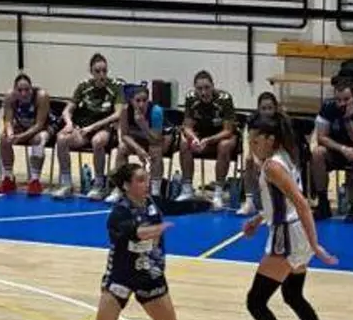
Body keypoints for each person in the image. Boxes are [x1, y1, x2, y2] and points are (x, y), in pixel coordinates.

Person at [241, 115, 344, 320]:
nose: (252, 146)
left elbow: (300, 202)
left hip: (288, 236)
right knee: (293, 295)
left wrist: (315, 244)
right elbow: (281, 201)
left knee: (255, 301)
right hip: (295, 232)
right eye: (249, 141)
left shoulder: (272, 166)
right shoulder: (285, 155)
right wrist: (258, 219)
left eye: (255, 141)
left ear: (270, 140)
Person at [77, 162, 179, 320]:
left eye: (147, 179)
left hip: (150, 274)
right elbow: (132, 232)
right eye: (140, 180)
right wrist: (156, 230)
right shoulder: (118, 212)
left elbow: (181, 207)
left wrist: (205, 204)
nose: (146, 184)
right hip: (120, 277)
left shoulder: (153, 203)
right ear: (126, 185)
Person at [54, 53, 122, 200]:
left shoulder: (115, 86)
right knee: (61, 138)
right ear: (91, 72)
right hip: (83, 128)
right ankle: (66, 184)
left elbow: (118, 114)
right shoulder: (84, 86)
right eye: (97, 71)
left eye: (104, 71)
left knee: (98, 141)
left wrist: (93, 127)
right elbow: (67, 110)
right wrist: (69, 123)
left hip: (104, 127)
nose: (102, 75)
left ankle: (98, 184)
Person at [311, 76, 353, 221]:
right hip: (335, 150)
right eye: (338, 100)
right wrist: (343, 149)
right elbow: (321, 137)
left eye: (346, 99)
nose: (342, 104)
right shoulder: (327, 107)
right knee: (317, 153)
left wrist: (348, 121)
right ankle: (323, 203)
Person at [176, 71, 238, 209]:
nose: (203, 92)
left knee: (224, 145)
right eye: (199, 89)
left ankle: (218, 192)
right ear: (195, 89)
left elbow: (228, 130)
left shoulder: (224, 99)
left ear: (213, 86)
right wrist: (194, 138)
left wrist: (208, 140)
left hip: (221, 135)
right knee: (184, 143)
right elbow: (187, 127)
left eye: (207, 88)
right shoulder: (191, 98)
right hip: (202, 134)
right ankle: (187, 189)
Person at [0, 73, 53, 196]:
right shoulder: (9, 96)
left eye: (27, 90)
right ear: (14, 90)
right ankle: (8, 178)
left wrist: (21, 137)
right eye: (20, 90)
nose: (23, 93)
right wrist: (10, 134)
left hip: (43, 128)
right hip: (21, 126)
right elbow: (8, 120)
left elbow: (39, 125)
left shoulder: (41, 96)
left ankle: (35, 180)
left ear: (31, 88)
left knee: (37, 140)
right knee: (4, 138)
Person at [115, 85, 171, 200]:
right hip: (139, 139)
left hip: (161, 139)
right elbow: (124, 135)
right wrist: (138, 149)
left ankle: (155, 191)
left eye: (144, 100)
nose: (141, 104)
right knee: (122, 148)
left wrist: (143, 125)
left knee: (155, 150)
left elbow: (156, 140)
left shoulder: (156, 111)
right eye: (138, 101)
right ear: (131, 101)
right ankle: (120, 188)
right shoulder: (125, 110)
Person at [238, 92, 284, 217]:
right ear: (258, 109)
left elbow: (284, 146)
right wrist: (256, 159)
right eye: (263, 108)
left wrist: (268, 159)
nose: (267, 112)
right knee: (249, 160)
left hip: (278, 154)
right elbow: (251, 143)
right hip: (261, 152)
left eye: (270, 108)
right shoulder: (253, 121)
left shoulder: (281, 121)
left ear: (276, 108)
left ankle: (274, 201)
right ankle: (249, 202)